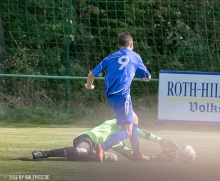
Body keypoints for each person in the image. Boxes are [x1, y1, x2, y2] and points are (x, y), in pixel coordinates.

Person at [85, 31, 151, 162]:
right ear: (131, 44)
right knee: (127, 131)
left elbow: (91, 74)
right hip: (123, 96)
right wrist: (144, 79)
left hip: (110, 97)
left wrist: (89, 86)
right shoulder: (135, 57)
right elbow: (147, 76)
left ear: (118, 46)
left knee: (135, 119)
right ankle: (102, 147)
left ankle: (137, 154)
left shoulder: (110, 57)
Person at [32, 119, 178, 162]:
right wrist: (160, 140)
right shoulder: (116, 122)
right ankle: (44, 154)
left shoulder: (117, 141)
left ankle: (75, 156)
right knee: (83, 150)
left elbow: (132, 156)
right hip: (87, 138)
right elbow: (137, 131)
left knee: (113, 158)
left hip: (95, 148)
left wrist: (156, 158)